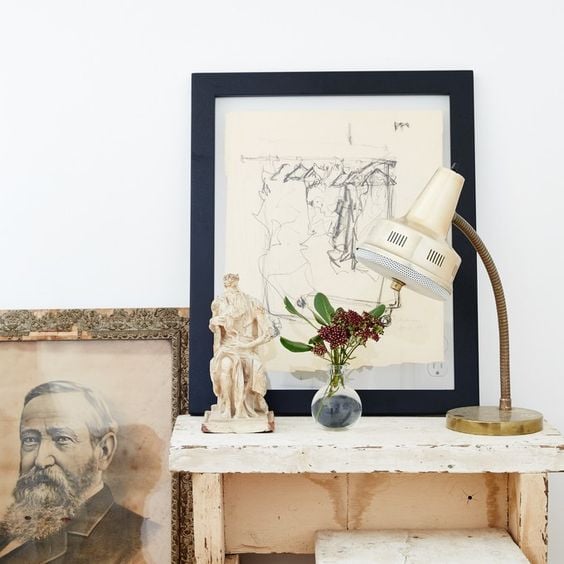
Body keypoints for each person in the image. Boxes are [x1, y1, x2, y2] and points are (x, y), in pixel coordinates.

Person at [0, 381, 146, 563]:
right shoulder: (10, 528)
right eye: (30, 439)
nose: (40, 460)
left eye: (62, 439)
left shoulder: (140, 543)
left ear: (103, 451)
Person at [209, 273, 274, 419]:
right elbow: (217, 336)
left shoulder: (253, 303)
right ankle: (227, 407)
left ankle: (241, 408)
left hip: (247, 349)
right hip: (227, 348)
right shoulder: (218, 303)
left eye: (233, 289)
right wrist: (213, 322)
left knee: (251, 368)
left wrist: (248, 346)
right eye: (228, 289)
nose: (230, 293)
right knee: (225, 365)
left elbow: (267, 333)